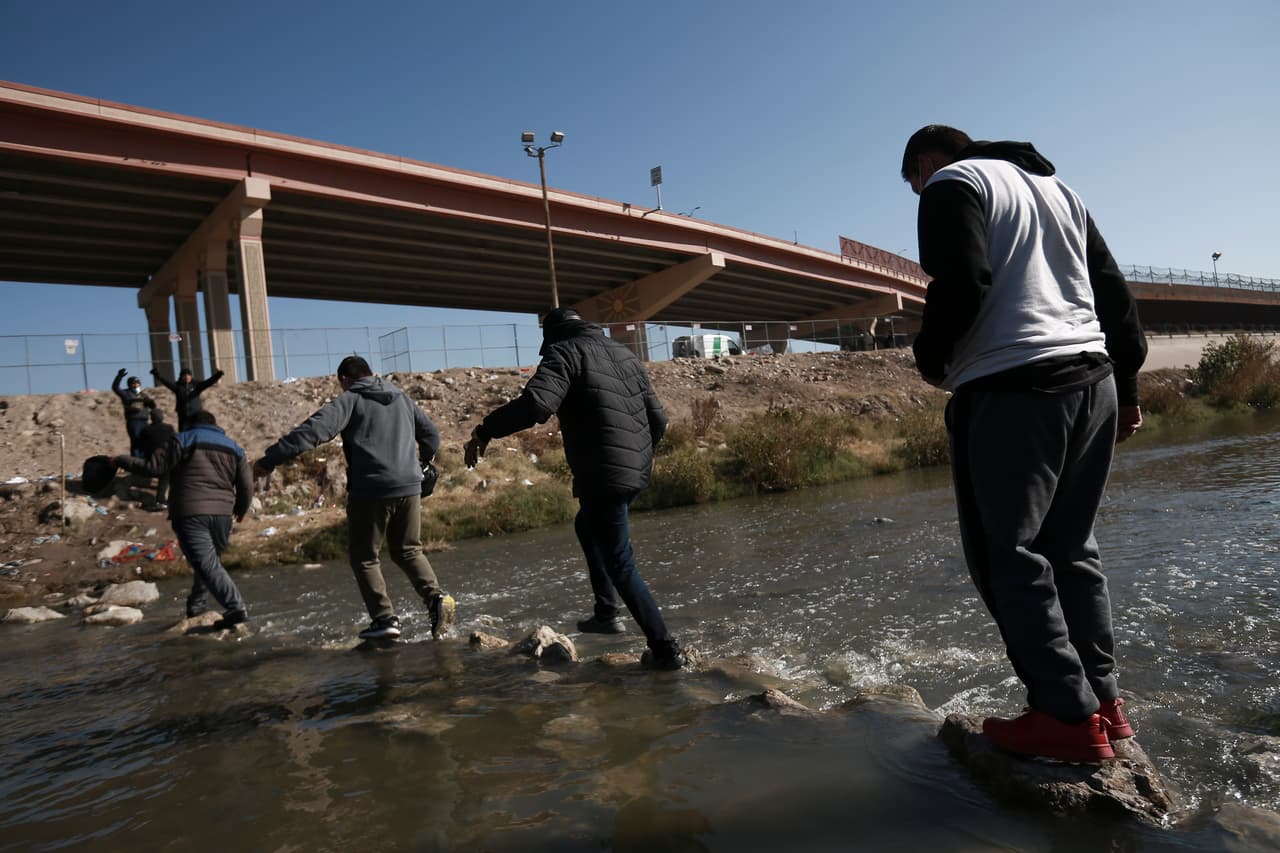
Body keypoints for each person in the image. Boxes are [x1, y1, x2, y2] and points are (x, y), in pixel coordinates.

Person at [901, 125, 1147, 762]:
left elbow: (963, 279)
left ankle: (1065, 718)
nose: (917, 192)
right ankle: (1106, 705)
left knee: (1009, 556)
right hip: (1093, 382)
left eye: (912, 182)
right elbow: (1114, 294)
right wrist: (1131, 386)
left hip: (1015, 390)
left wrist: (930, 359)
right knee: (1072, 550)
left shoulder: (955, 182)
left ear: (926, 161)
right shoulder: (1057, 188)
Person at [464, 307, 688, 670]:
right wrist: (637, 459)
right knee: (587, 524)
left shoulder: (564, 352)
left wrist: (485, 429)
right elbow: (659, 420)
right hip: (633, 470)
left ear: (551, 336)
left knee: (620, 561)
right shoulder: (623, 353)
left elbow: (537, 404)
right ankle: (606, 611)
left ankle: (665, 649)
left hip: (603, 472)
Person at [253, 356, 453, 641]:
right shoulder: (401, 398)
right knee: (409, 550)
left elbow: (312, 432)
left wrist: (270, 459)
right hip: (409, 487)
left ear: (345, 379)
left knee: (365, 557)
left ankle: (384, 620)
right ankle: (436, 599)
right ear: (370, 373)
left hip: (371, 488)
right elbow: (431, 435)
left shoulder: (351, 399)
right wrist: (421, 463)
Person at [114, 410, 252, 626]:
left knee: (206, 563)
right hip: (223, 514)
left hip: (191, 511)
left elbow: (154, 468)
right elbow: (246, 483)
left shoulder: (182, 439)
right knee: (208, 562)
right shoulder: (233, 446)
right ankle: (197, 606)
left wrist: (120, 460)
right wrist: (241, 508)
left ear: (191, 423)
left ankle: (235, 607)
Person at [152, 365, 224, 432]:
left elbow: (208, 382)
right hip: (183, 416)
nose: (186, 377)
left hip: (196, 415)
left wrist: (218, 375)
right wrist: (157, 374)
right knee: (183, 433)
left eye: (188, 375)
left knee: (196, 432)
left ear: (191, 376)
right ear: (181, 377)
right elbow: (166, 382)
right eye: (184, 375)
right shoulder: (178, 386)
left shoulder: (196, 385)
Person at [111, 368, 156, 457]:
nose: (136, 385)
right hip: (134, 421)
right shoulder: (126, 393)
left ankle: (144, 460)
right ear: (130, 385)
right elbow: (115, 388)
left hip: (144, 420)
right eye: (134, 383)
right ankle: (136, 461)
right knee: (136, 441)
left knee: (144, 441)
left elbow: (152, 406)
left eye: (137, 383)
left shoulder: (143, 395)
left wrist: (151, 403)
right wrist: (119, 377)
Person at [138, 408, 177, 508]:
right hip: (165, 460)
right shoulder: (169, 428)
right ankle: (161, 500)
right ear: (162, 417)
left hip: (149, 460)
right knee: (166, 475)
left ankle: (161, 501)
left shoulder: (146, 429)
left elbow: (140, 445)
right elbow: (175, 442)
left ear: (151, 418)